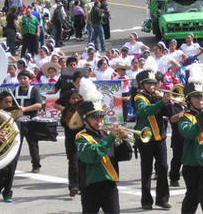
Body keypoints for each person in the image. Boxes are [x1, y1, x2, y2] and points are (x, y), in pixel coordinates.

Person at [75, 78, 132, 213]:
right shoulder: (81, 137)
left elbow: (124, 156)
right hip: (91, 187)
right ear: (85, 120)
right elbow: (93, 155)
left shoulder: (106, 134)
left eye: (101, 117)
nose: (99, 120)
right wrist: (112, 137)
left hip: (110, 185)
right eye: (95, 117)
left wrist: (124, 140)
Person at [133, 58, 172, 209]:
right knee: (146, 170)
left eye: (154, 83)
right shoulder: (139, 97)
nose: (152, 86)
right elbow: (144, 111)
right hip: (146, 138)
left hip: (160, 137)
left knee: (163, 168)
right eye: (149, 83)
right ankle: (146, 201)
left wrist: (167, 101)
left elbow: (168, 113)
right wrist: (160, 102)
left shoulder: (157, 96)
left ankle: (162, 199)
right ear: (142, 85)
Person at [177, 69, 203, 214]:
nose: (200, 98)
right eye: (196, 96)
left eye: (201, 95)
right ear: (188, 99)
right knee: (193, 196)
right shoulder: (184, 117)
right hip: (192, 163)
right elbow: (189, 133)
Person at [54, 72, 84, 196]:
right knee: (73, 161)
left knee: (84, 161)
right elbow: (56, 104)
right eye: (78, 82)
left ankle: (83, 185)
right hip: (71, 135)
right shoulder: (67, 93)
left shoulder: (87, 94)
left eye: (77, 99)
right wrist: (67, 111)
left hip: (84, 134)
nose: (75, 100)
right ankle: (73, 186)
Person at [13, 70, 44, 173]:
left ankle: (36, 165)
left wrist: (25, 109)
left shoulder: (34, 90)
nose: (22, 80)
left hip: (31, 122)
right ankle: (12, 165)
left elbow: (39, 105)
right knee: (15, 145)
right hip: (17, 122)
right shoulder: (15, 90)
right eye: (20, 78)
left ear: (30, 80)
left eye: (25, 78)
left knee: (33, 144)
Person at [0, 91, 22, 203]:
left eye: (10, 102)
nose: (9, 105)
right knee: (1, 168)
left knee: (11, 169)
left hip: (13, 144)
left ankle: (8, 192)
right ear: (0, 103)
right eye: (6, 102)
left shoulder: (15, 113)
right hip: (0, 145)